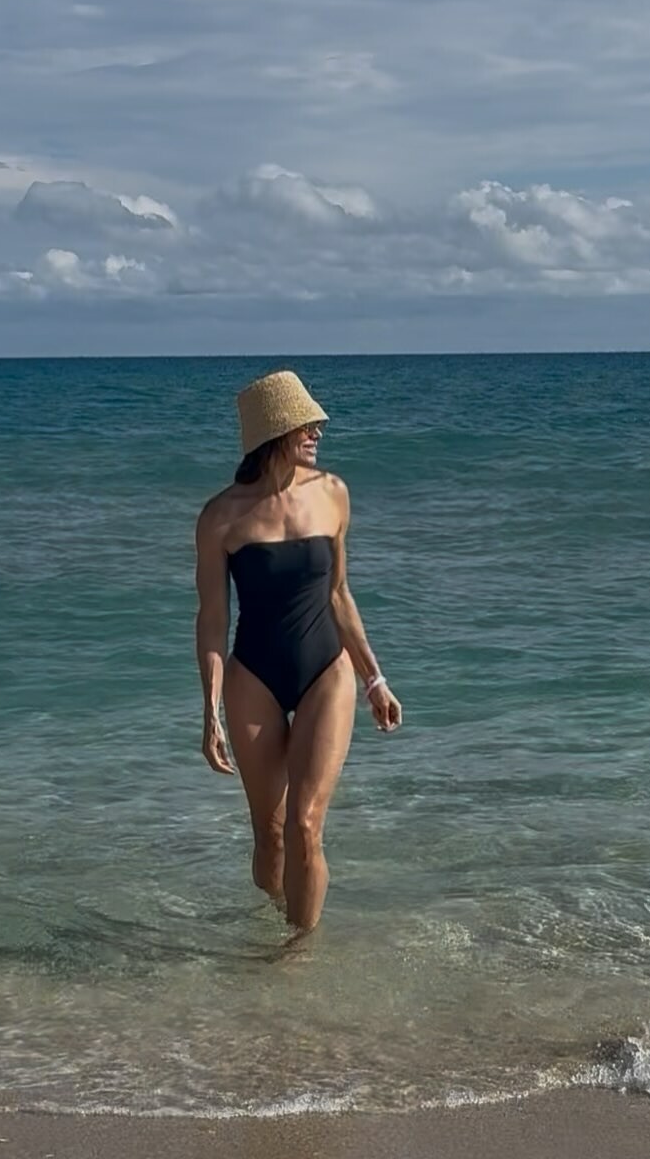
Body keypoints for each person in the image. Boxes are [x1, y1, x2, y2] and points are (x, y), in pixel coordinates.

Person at [194, 369, 402, 936]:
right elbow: (213, 620)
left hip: (325, 669)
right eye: (305, 424)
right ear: (274, 432)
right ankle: (278, 919)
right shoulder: (221, 517)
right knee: (271, 834)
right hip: (253, 675)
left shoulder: (333, 493)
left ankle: (297, 954)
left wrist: (374, 679)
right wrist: (210, 711)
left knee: (306, 824)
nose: (317, 432)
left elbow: (339, 594)